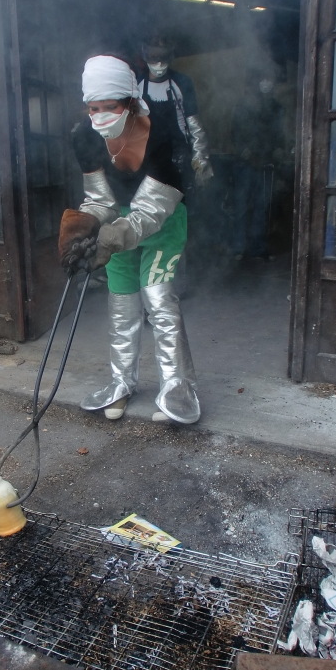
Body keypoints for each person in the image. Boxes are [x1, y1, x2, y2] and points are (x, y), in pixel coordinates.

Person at [58, 55, 200, 424]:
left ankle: (177, 387)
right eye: (94, 108)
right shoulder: (86, 137)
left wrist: (111, 236)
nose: (101, 115)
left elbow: (153, 209)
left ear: (132, 102)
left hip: (163, 222)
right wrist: (85, 225)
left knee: (159, 300)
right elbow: (101, 199)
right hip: (117, 226)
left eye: (110, 106)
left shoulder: (164, 133)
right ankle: (122, 382)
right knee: (122, 305)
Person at [138, 35, 213, 189]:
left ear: (170, 56)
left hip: (178, 157)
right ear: (145, 55)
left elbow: (194, 125)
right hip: (146, 158)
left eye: (163, 58)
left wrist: (200, 158)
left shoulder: (182, 82)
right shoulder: (136, 84)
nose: (159, 63)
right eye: (154, 57)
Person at [230, 74, 284, 259]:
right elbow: (235, 135)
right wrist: (248, 155)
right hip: (245, 164)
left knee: (262, 208)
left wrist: (277, 152)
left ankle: (257, 248)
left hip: (266, 164)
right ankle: (238, 248)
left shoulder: (276, 107)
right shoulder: (243, 107)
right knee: (241, 207)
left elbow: (278, 135)